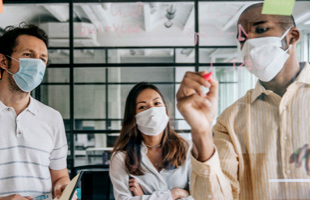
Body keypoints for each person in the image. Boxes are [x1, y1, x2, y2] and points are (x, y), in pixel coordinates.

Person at [176, 2, 310, 200]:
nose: (250, 43)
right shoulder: (230, 121)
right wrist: (202, 132)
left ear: (292, 37)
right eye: (243, 39)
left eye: (261, 29)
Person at [0, 23, 75, 200]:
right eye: (28, 55)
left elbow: (60, 175)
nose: (37, 64)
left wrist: (63, 187)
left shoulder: (52, 118)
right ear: (3, 61)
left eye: (42, 59)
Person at [110, 82, 193, 200]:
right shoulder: (121, 157)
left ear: (165, 108)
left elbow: (200, 194)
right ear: (133, 116)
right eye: (142, 107)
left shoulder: (186, 147)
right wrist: (174, 194)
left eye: (157, 103)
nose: (152, 111)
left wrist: (143, 197)